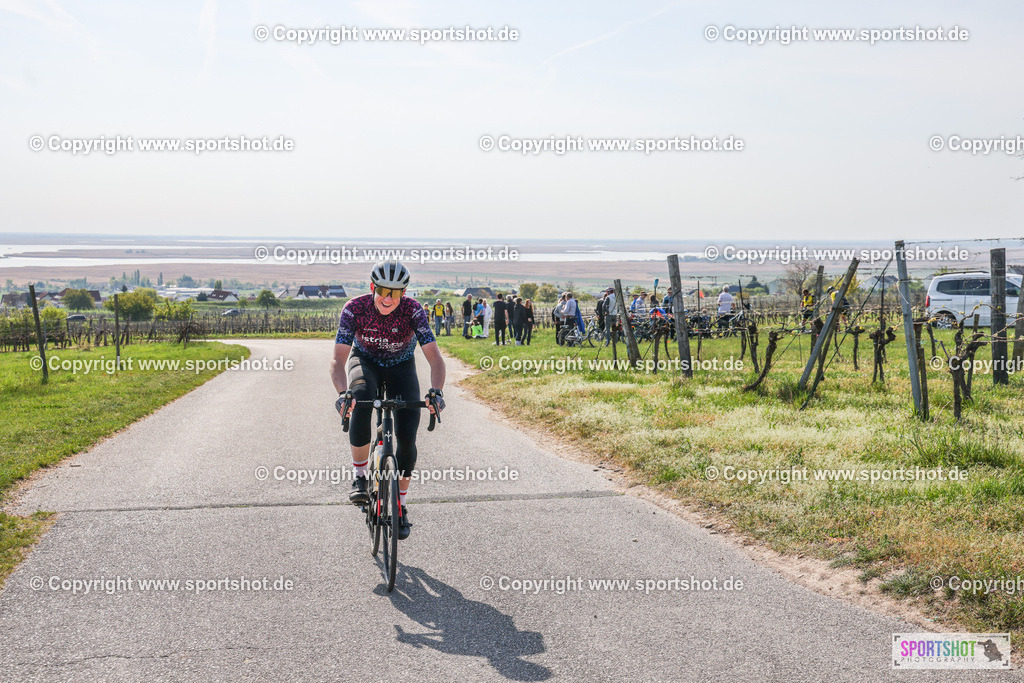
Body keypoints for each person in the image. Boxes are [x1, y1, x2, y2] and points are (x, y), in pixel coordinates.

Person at [331, 260, 446, 541]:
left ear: (403, 294)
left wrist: (437, 391)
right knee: (359, 399)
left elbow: (434, 357)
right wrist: (342, 393)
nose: (387, 298)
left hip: (401, 366)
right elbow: (338, 359)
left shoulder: (413, 310)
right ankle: (360, 476)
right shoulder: (354, 308)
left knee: (407, 438)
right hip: (365, 361)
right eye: (382, 290)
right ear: (373, 287)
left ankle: (400, 506)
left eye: (395, 293)